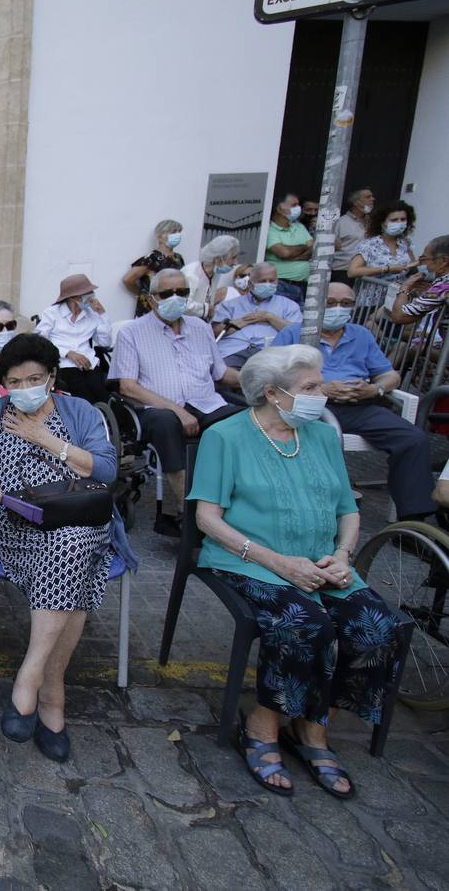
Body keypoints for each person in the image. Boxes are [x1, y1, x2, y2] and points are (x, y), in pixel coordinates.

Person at [190, 344, 402, 798]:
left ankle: (312, 729)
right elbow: (207, 519)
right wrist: (279, 562)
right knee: (307, 625)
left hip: (324, 560)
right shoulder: (226, 437)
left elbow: (349, 509)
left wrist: (344, 554)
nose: (321, 393)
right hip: (250, 560)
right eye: (310, 387)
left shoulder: (322, 437)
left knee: (377, 630)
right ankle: (263, 727)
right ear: (272, 393)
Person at [0, 334, 131, 762]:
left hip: (77, 517)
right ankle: (52, 698)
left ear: (50, 378)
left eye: (34, 378)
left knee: (72, 541)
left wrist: (46, 439)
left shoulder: (78, 411)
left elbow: (106, 470)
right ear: (4, 383)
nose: (24, 388)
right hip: (12, 524)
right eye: (14, 380)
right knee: (77, 555)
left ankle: (32, 678)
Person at [272, 282, 434, 521]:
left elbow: (390, 375)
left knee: (413, 439)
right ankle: (309, 509)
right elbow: (271, 377)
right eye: (330, 303)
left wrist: (374, 389)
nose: (338, 308)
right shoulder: (294, 334)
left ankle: (413, 521)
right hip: (310, 408)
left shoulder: (361, 335)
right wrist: (319, 388)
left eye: (346, 304)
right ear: (315, 304)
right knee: (306, 440)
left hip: (359, 405)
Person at [108, 268, 241, 538]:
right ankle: (186, 511)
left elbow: (222, 374)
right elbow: (127, 386)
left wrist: (261, 378)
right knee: (166, 424)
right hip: (156, 408)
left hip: (205, 403)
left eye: (181, 292)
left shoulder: (201, 328)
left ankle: (232, 506)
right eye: (167, 293)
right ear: (152, 298)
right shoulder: (132, 332)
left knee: (240, 423)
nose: (175, 298)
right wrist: (177, 410)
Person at [34, 274, 111, 403]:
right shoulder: (52, 313)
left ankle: (108, 421)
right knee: (83, 397)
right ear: (74, 297)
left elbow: (105, 342)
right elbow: (39, 341)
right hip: (63, 365)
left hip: (89, 364)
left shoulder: (92, 314)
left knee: (104, 397)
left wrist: (102, 315)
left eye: (91, 292)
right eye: (87, 293)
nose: (91, 296)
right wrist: (68, 353)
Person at [212, 263, 300, 368]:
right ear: (250, 284)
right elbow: (215, 332)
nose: (268, 284)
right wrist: (243, 321)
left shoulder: (289, 306)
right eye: (262, 281)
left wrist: (270, 317)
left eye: (272, 281)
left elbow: (296, 333)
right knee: (219, 372)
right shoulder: (230, 305)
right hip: (233, 351)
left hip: (269, 355)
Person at [347, 200, 417, 295]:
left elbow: (412, 267)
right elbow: (352, 272)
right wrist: (387, 269)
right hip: (370, 301)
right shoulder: (370, 244)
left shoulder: (405, 242)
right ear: (382, 222)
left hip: (396, 299)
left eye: (403, 219)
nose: (399, 223)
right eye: (394, 220)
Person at [121, 219, 186, 316]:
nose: (177, 235)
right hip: (151, 308)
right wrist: (142, 294)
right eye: (172, 232)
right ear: (160, 237)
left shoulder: (178, 258)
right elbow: (128, 279)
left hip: (172, 306)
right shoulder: (152, 258)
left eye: (178, 232)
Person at [387, 234, 449, 326]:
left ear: (443, 261)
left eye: (423, 259)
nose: (421, 264)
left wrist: (405, 288)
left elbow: (399, 316)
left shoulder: (442, 286)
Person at [265, 193, 314, 305]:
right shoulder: (269, 229)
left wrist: (293, 255)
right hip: (282, 285)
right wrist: (306, 247)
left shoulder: (299, 226)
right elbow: (285, 253)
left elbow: (314, 250)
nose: (299, 208)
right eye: (294, 205)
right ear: (279, 209)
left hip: (305, 285)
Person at [183, 235, 240, 317]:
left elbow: (210, 302)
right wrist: (207, 309)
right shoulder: (191, 274)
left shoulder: (215, 273)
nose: (235, 263)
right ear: (218, 258)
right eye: (233, 258)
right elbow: (184, 306)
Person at [331, 187, 374, 286]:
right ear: (356, 202)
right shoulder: (340, 222)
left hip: (367, 274)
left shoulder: (372, 223)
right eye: (368, 197)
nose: (373, 199)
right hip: (343, 272)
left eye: (372, 196)